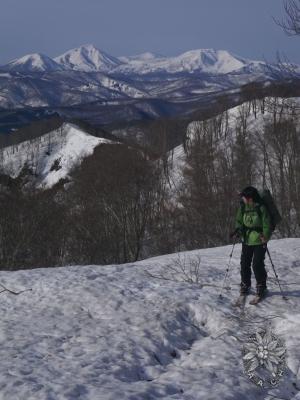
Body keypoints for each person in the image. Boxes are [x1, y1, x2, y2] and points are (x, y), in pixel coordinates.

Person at [231, 186, 272, 298]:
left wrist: (266, 235)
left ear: (250, 198)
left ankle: (261, 286)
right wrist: (238, 230)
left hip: (259, 239)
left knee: (257, 264)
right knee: (244, 263)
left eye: (244, 197)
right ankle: (245, 284)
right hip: (247, 239)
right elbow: (239, 221)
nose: (242, 199)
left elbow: (267, 223)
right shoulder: (243, 207)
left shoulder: (261, 208)